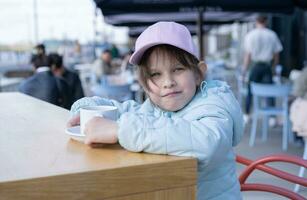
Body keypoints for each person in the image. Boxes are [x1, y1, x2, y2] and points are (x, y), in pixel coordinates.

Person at [67, 21, 244, 200]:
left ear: (198, 74)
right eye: (155, 74)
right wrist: (88, 109)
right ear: (144, 83)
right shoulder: (156, 106)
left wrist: (119, 130)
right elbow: (128, 111)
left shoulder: (214, 103)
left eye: (178, 69)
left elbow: (206, 143)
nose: (168, 82)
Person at [242, 15, 283, 120]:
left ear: (256, 21)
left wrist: (244, 70)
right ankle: (272, 117)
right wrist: (274, 67)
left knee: (250, 90)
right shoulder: (272, 35)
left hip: (255, 65)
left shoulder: (250, 35)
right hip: (267, 66)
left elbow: (248, 55)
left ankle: (247, 114)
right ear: (266, 21)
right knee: (270, 91)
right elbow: (276, 54)